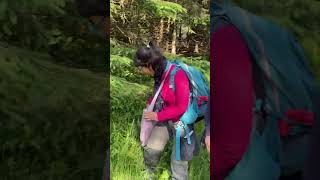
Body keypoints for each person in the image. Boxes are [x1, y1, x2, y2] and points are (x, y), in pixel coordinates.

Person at [133, 42, 198, 180]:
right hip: (165, 117)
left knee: (179, 161)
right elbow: (160, 94)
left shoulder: (178, 75)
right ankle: (149, 174)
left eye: (141, 68)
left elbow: (182, 107)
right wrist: (150, 105)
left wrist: (157, 115)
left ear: (149, 65)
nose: (141, 71)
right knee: (151, 149)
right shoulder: (159, 73)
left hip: (183, 121)